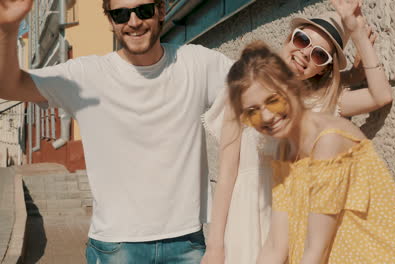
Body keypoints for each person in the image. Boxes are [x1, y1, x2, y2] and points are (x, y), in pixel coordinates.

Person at [0, 0, 233, 263]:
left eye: (143, 10)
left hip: (187, 243)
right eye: (121, 14)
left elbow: (259, 81)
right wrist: (8, 30)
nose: (133, 21)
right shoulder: (86, 76)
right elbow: (9, 86)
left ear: (161, 11)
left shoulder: (197, 64)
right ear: (110, 21)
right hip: (117, 247)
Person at [225, 2, 395, 263]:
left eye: (319, 54)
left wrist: (357, 34)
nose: (266, 116)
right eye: (252, 111)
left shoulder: (328, 137)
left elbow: (316, 251)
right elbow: (276, 245)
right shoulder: (283, 150)